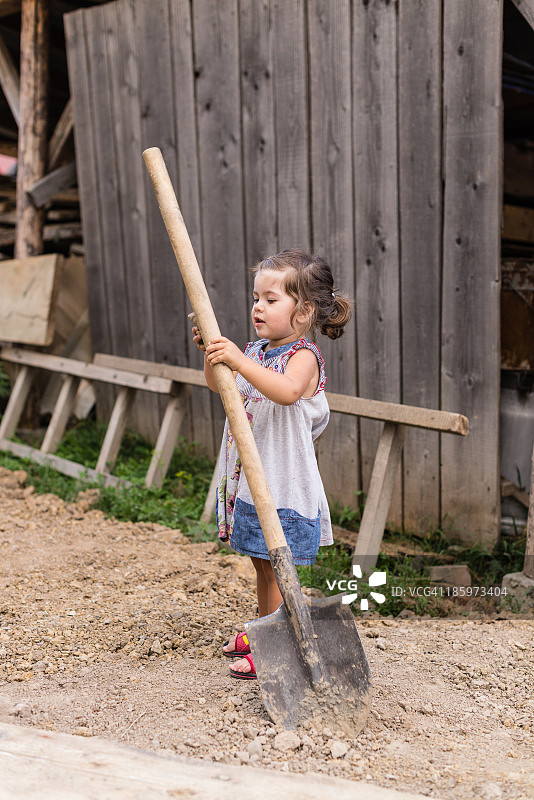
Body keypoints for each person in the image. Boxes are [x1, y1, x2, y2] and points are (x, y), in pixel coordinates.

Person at [191, 249, 352, 679]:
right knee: (262, 561)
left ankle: (276, 644)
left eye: (271, 299)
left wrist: (239, 359)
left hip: (283, 483)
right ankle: (265, 626)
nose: (258, 306)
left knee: (278, 567)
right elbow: (222, 387)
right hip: (252, 481)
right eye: (255, 297)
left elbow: (285, 391)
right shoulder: (256, 351)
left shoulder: (304, 358)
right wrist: (215, 358)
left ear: (304, 312)